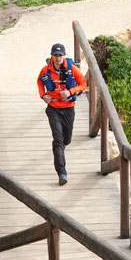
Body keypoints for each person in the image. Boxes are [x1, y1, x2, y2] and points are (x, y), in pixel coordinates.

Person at [37, 43, 87, 185]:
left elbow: (83, 84)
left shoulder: (72, 69)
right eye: (55, 55)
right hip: (53, 108)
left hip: (68, 108)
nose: (58, 58)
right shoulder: (45, 71)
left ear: (64, 56)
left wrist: (70, 92)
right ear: (51, 56)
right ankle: (62, 173)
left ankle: (65, 144)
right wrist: (43, 95)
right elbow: (40, 82)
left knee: (67, 139)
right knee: (57, 140)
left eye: (60, 55)